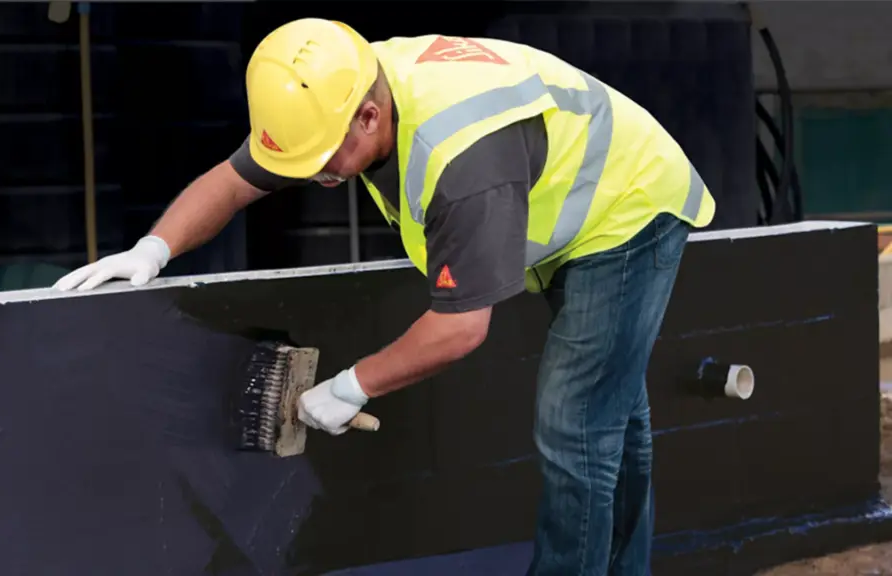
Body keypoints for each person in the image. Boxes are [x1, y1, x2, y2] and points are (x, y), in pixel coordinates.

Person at [54, 18, 715, 575]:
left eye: (320, 159)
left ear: (368, 117)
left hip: (628, 211)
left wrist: (350, 386)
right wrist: (153, 250)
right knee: (609, 415)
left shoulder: (463, 160)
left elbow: (460, 329)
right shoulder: (336, 94)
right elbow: (234, 181)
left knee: (575, 423)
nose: (310, 176)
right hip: (566, 198)